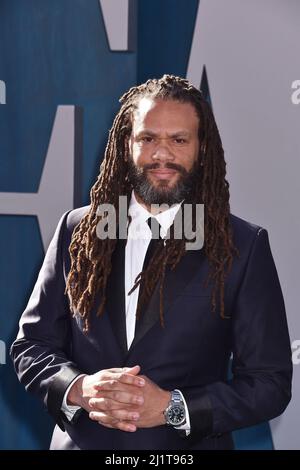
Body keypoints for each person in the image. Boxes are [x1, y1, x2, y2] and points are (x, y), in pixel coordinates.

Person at [11, 75, 292, 450]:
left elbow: (269, 383)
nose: (162, 154)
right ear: (127, 144)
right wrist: (80, 389)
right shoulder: (77, 229)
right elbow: (32, 345)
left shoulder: (242, 245)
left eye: (179, 140)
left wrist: (174, 409)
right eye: (148, 138)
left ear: (202, 148)